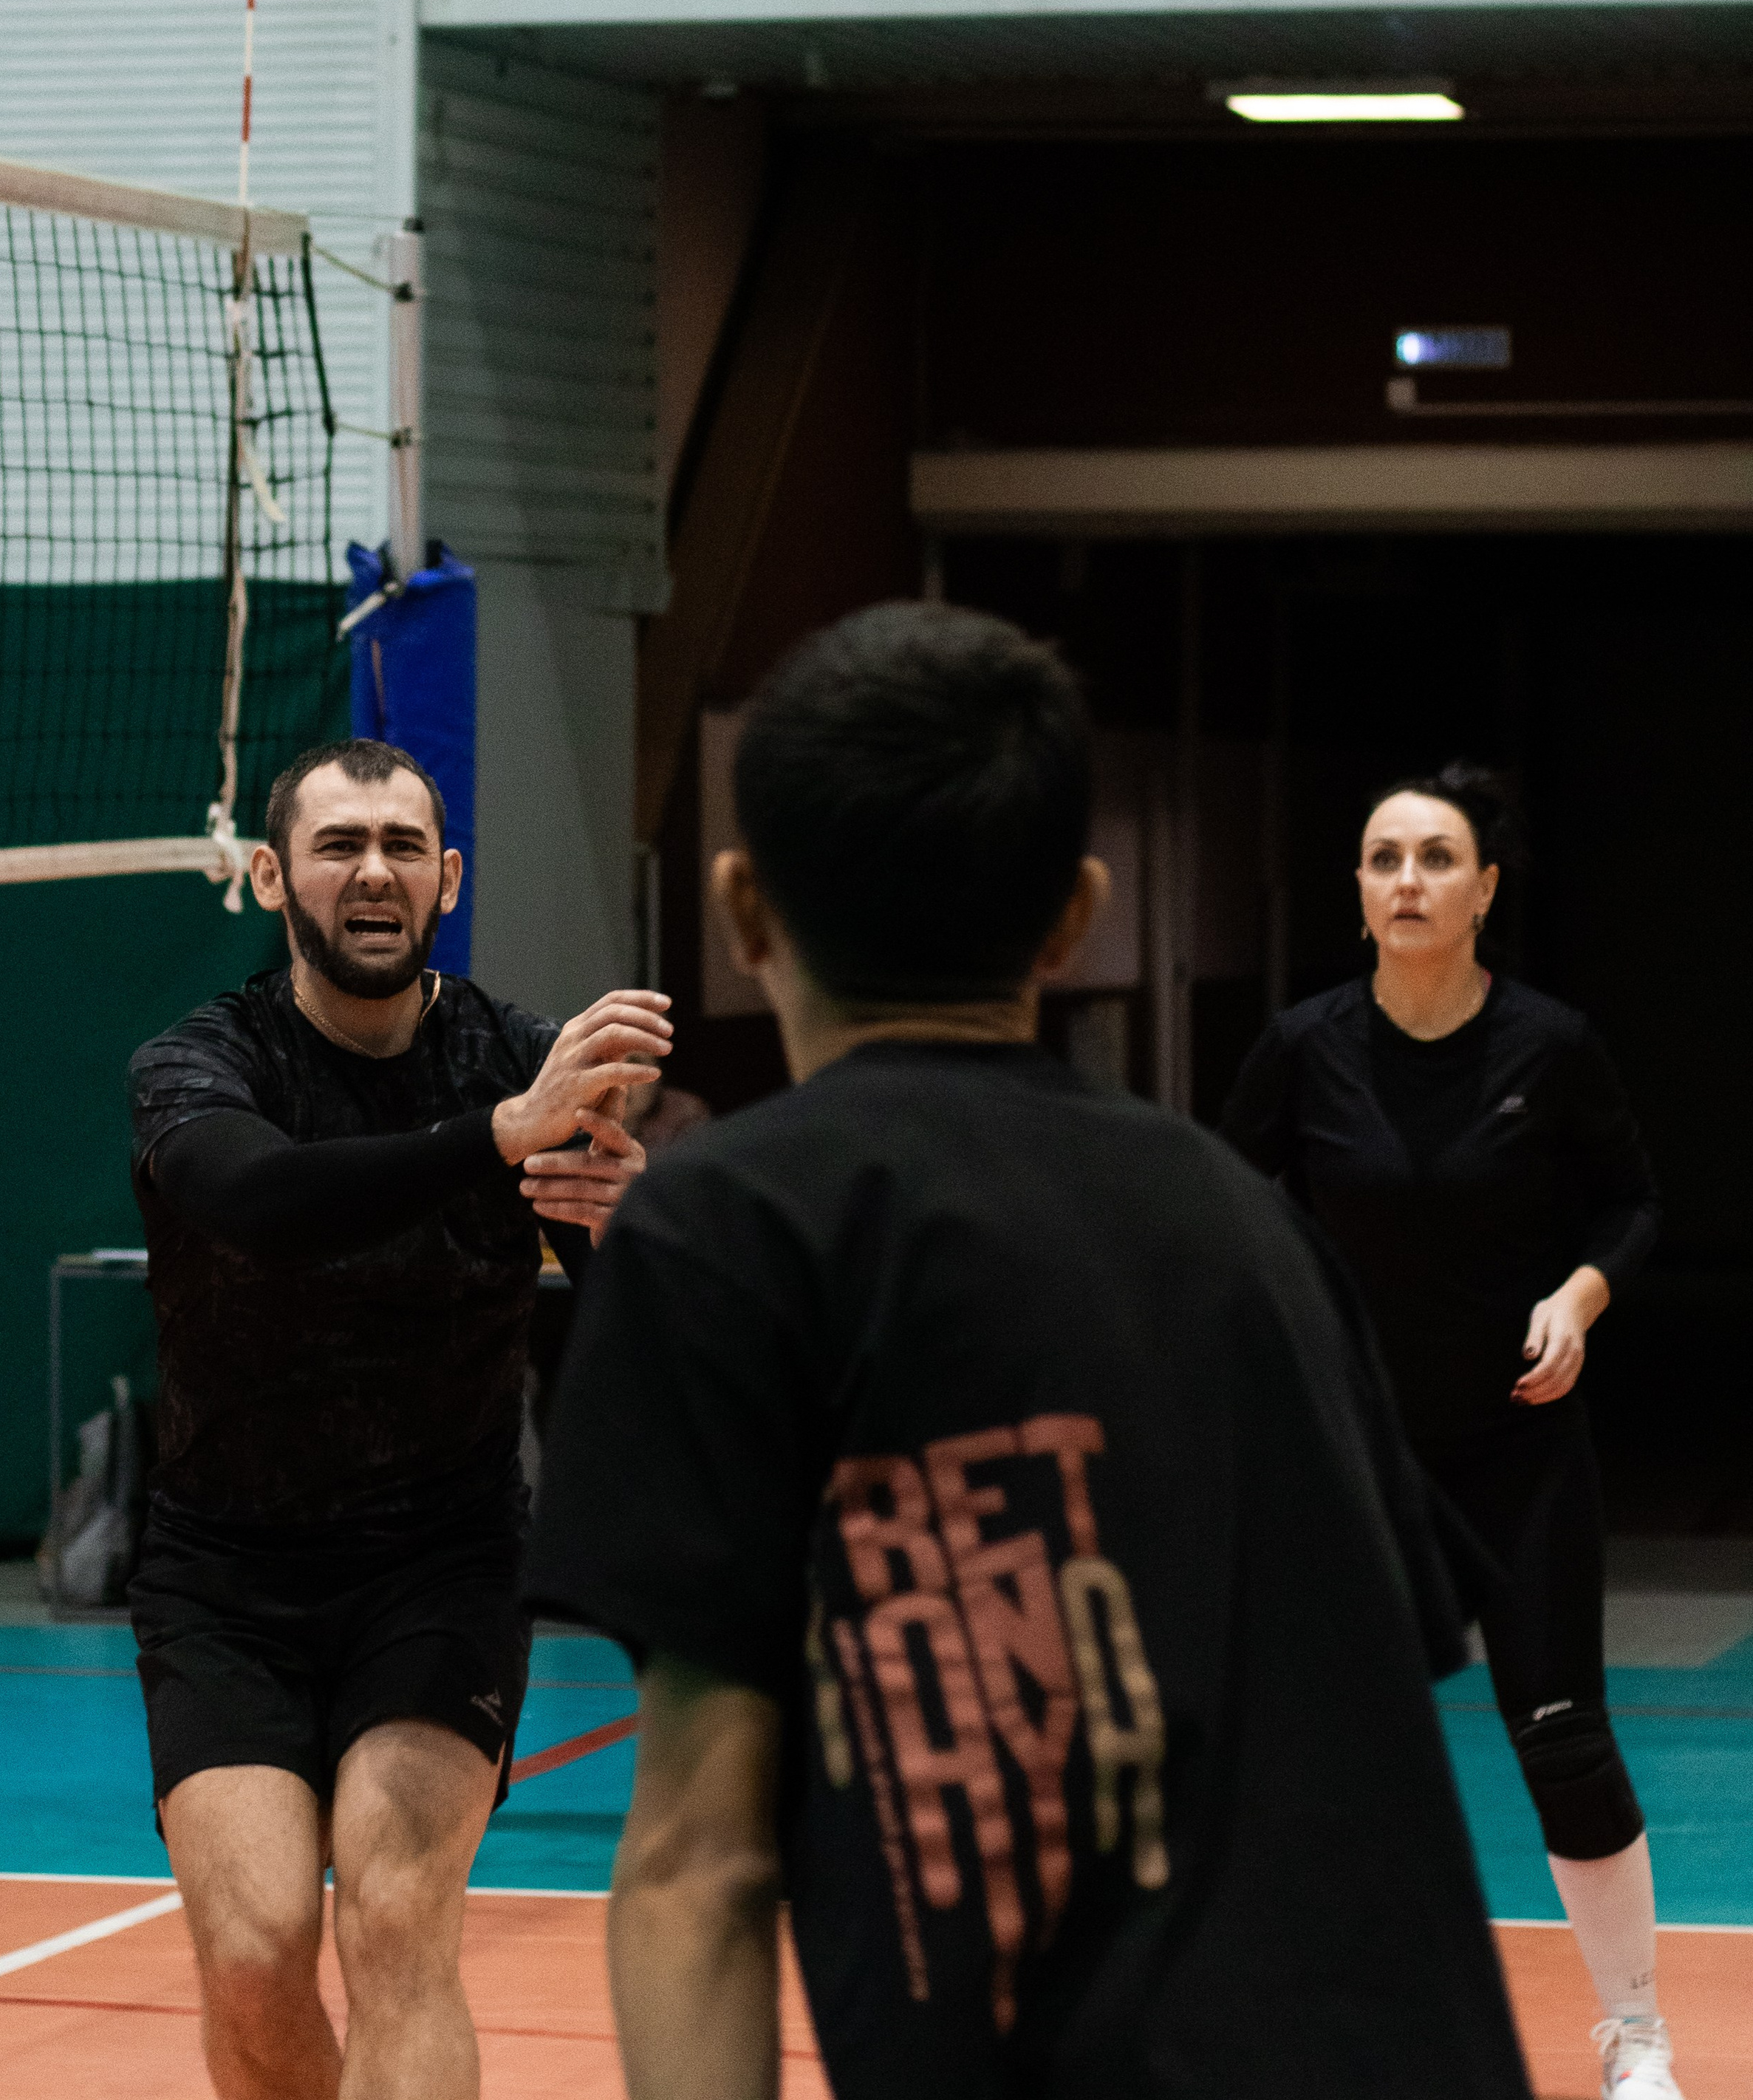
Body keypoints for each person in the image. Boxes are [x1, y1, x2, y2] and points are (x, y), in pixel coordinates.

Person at [522, 603, 1530, 2100]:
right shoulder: (1246, 1225)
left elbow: (696, 1863)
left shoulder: (723, 1227)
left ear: (740, 912)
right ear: (1076, 915)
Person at [125, 734, 672, 2100]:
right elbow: (259, 1201)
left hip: (444, 1560)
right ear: (269, 877)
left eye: (404, 847)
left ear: (449, 878)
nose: (375, 872)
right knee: (255, 1950)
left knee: (396, 1919)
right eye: (338, 844)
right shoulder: (201, 1066)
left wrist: (640, 1229)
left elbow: (639, 1344)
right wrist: (495, 1137)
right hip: (226, 1572)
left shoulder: (526, 1065)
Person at [1218, 763, 1678, 2100]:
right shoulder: (1303, 1049)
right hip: (1359, 1458)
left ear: (1484, 889)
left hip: (1520, 1451)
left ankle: (1637, 2034)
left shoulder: (1552, 1044)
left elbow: (1632, 1206)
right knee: (1317, 1743)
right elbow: (1231, 1215)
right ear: (1358, 895)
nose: (1406, 880)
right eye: (1381, 860)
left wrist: (1579, 1301)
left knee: (1563, 1736)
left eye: (1434, 858)